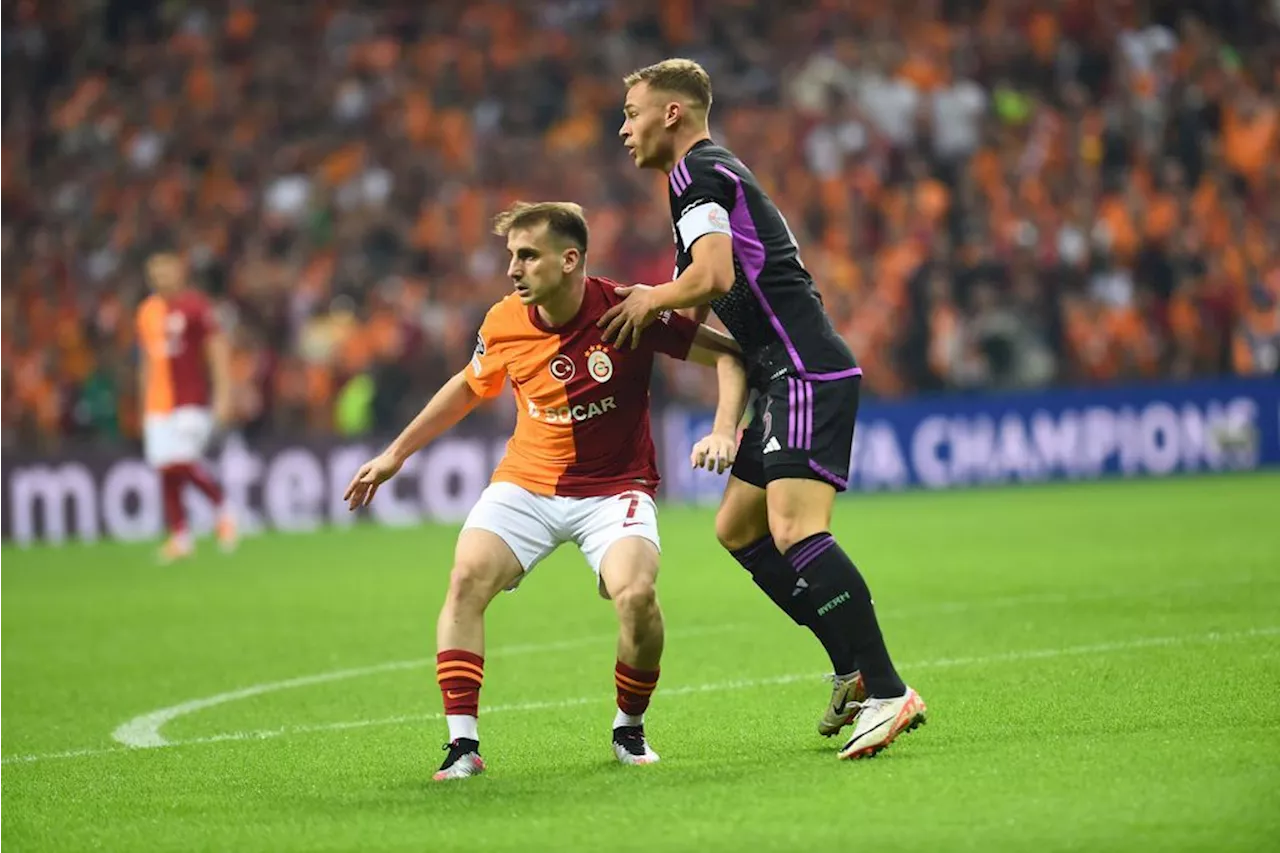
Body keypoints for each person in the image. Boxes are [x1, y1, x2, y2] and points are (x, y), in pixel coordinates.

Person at [344, 201, 747, 781]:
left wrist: (721, 429)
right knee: (464, 580)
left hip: (615, 488)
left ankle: (628, 728)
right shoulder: (504, 321)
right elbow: (466, 387)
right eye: (512, 255)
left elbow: (729, 355)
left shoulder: (626, 310)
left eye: (527, 256)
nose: (513, 268)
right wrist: (393, 456)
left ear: (569, 260)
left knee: (636, 596)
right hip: (527, 483)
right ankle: (463, 747)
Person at [605, 58, 926, 760]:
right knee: (739, 526)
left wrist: (651, 296)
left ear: (671, 114)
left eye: (631, 112)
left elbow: (713, 276)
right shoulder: (701, 179)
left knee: (792, 527)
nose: (622, 128)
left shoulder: (698, 174)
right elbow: (733, 311)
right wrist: (726, 421)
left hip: (804, 368)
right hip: (781, 372)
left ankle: (887, 688)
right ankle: (851, 664)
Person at [135, 250, 237, 563]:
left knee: (181, 461)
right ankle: (180, 537)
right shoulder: (147, 312)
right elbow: (146, 362)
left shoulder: (196, 307)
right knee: (167, 470)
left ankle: (223, 509)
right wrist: (142, 406)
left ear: (179, 272)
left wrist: (223, 396)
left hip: (190, 400)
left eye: (165, 271)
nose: (160, 278)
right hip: (158, 405)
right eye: (154, 273)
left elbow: (217, 350)